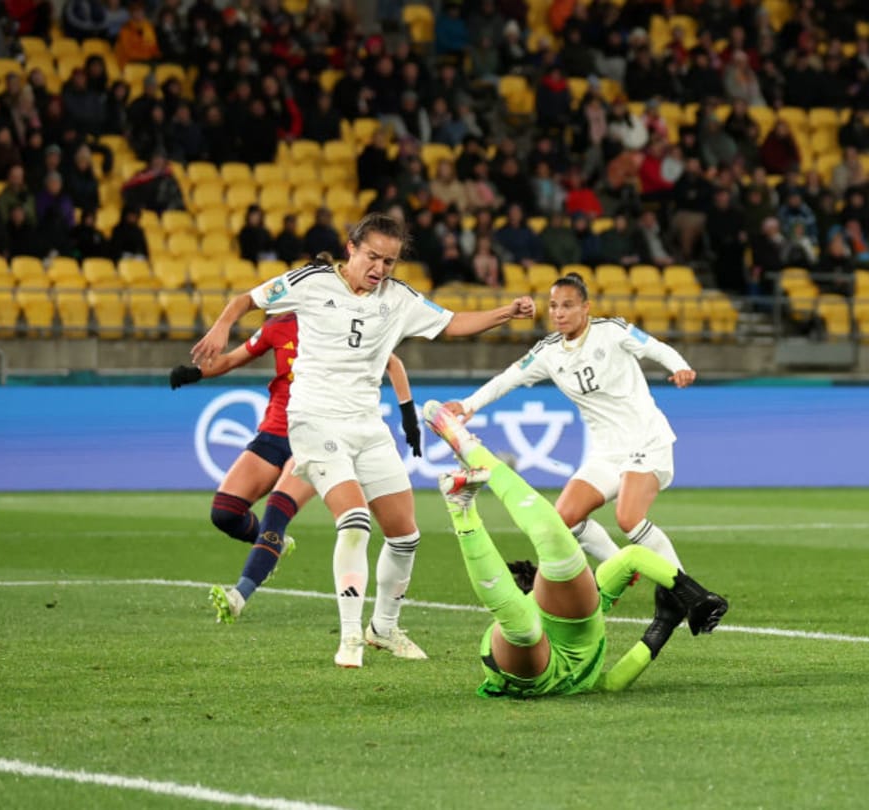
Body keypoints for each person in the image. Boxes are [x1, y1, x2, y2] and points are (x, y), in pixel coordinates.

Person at [191, 213, 536, 668]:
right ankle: (350, 637)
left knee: (405, 536)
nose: (380, 268)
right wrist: (219, 327)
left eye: (389, 261)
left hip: (367, 426)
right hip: (314, 422)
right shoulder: (311, 280)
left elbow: (451, 323)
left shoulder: (398, 299)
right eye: (373, 257)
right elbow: (247, 300)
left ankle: (384, 628)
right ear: (351, 248)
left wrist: (505, 313)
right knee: (354, 520)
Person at [422, 400, 728, 698]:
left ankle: (464, 486)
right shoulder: (587, 612)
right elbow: (632, 558)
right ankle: (464, 484)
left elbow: (632, 558)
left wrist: (680, 605)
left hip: (514, 664)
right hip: (529, 664)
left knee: (526, 620)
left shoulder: (579, 612)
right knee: (529, 614)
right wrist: (682, 606)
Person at [169, 320, 423, 626]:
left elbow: (392, 362)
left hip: (317, 436)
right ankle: (276, 542)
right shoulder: (279, 325)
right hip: (273, 433)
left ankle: (239, 595)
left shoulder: (343, 321)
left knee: (277, 510)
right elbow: (234, 358)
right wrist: (195, 373)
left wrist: (408, 414)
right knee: (225, 512)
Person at [440, 272, 696, 571]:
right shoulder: (548, 351)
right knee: (564, 519)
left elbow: (654, 347)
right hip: (606, 452)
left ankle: (684, 591)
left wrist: (680, 367)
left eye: (567, 306)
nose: (558, 313)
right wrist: (469, 404)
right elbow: (509, 378)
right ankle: (620, 568)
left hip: (645, 440)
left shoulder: (611, 330)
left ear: (585, 308)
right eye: (553, 306)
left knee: (628, 518)